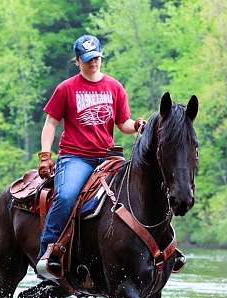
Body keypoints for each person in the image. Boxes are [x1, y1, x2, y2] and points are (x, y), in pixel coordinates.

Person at [35, 35, 145, 278]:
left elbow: (123, 123)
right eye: (87, 59)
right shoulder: (66, 88)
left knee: (138, 190)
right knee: (65, 196)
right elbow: (51, 123)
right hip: (76, 157)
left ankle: (160, 249)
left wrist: (136, 125)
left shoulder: (115, 87)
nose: (93, 63)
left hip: (108, 157)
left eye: (96, 57)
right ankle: (48, 253)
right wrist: (45, 155)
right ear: (77, 61)